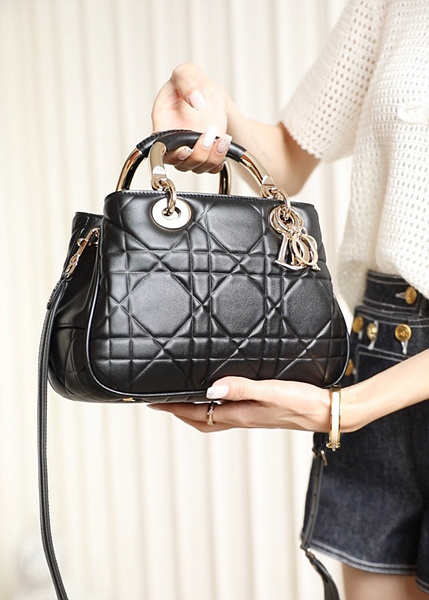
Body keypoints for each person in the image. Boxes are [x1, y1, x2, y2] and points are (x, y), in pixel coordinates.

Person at [149, 1, 429, 598]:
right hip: (380, 345)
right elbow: (286, 160)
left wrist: (343, 409)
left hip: (369, 396)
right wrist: (218, 116)